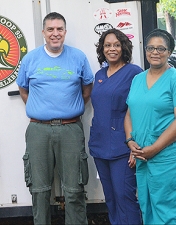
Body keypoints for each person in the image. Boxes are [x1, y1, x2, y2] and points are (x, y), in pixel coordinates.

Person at [16, 12, 94, 225]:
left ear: (65, 32)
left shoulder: (78, 57)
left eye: (59, 29)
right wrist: (39, 109)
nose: (55, 33)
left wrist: (70, 109)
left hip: (70, 129)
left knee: (74, 188)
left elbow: (87, 89)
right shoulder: (31, 59)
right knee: (39, 190)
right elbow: (23, 90)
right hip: (38, 130)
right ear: (43, 32)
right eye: (50, 29)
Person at [88, 28, 142, 225]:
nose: (112, 49)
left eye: (116, 45)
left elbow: (139, 110)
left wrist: (134, 147)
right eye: (108, 45)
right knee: (110, 199)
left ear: (124, 47)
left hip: (123, 147)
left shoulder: (134, 73)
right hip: (100, 146)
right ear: (102, 49)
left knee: (124, 197)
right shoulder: (100, 74)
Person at [125, 29, 176, 224]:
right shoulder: (138, 79)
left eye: (161, 48)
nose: (155, 52)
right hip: (142, 156)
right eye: (151, 48)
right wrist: (130, 141)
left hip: (165, 156)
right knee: (146, 206)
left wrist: (154, 149)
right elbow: (129, 114)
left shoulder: (173, 79)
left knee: (166, 209)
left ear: (169, 51)